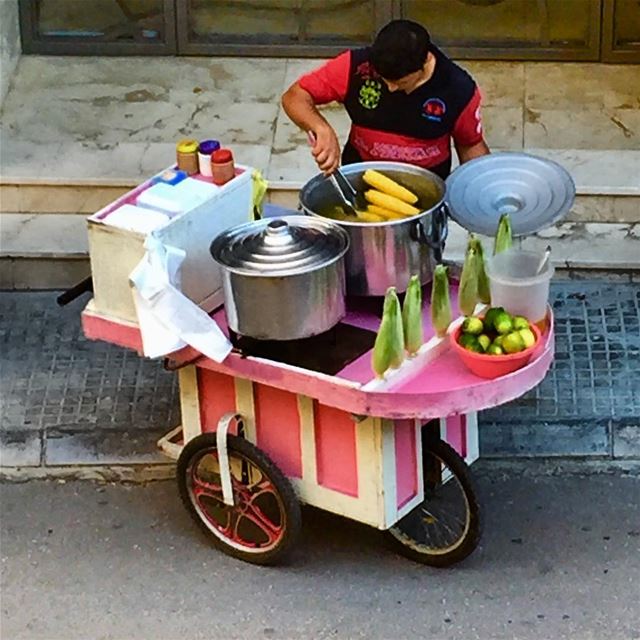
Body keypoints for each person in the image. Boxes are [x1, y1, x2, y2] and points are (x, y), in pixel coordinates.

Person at [282, 19, 490, 178]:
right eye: (385, 79)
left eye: (400, 82)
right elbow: (295, 96)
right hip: (362, 177)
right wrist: (321, 127)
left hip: (425, 190)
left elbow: (470, 145)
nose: (390, 88)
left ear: (425, 62)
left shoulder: (457, 88)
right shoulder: (355, 67)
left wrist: (483, 187)